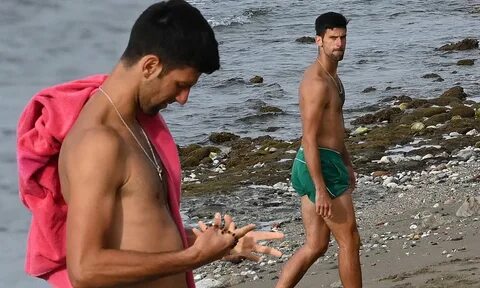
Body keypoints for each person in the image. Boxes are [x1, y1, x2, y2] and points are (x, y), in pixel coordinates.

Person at [17, 1, 283, 287]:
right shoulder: (98, 143)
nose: (184, 99)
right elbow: (86, 268)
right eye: (181, 84)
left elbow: (140, 232)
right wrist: (195, 257)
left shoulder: (135, 125)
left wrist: (216, 246)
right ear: (150, 66)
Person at [276, 12, 362, 288]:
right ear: (318, 41)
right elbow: (310, 138)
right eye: (333, 38)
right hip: (319, 164)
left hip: (326, 160)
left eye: (343, 37)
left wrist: (347, 161)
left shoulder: (333, 78)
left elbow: (335, 126)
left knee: (316, 245)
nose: (339, 43)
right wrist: (321, 188)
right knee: (349, 240)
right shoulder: (316, 83)